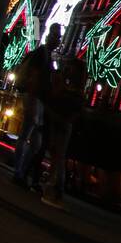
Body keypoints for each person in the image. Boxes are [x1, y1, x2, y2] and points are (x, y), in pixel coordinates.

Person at [11, 23, 61, 190]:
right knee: (27, 134)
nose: (58, 39)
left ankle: (22, 171)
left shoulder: (48, 56)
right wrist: (33, 95)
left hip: (38, 100)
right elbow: (34, 75)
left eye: (59, 36)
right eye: (56, 35)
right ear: (50, 36)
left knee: (36, 141)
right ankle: (18, 172)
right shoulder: (42, 53)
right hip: (34, 97)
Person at [38, 40, 86, 209]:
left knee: (58, 160)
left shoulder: (76, 93)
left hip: (63, 126)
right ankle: (52, 190)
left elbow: (72, 112)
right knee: (56, 158)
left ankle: (56, 192)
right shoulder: (69, 88)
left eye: (70, 69)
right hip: (59, 124)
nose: (68, 71)